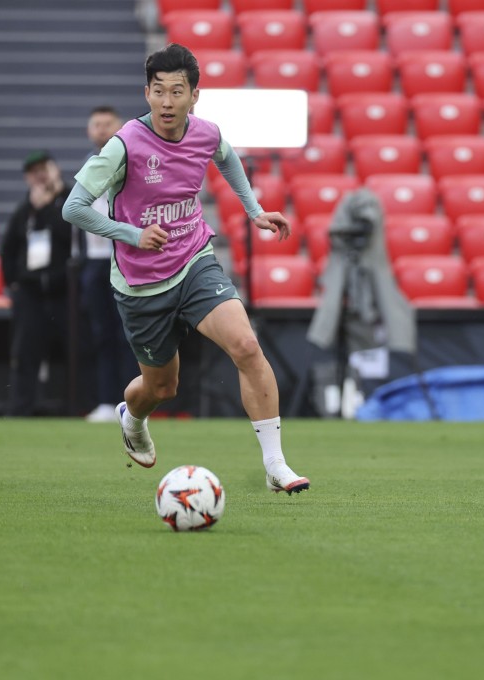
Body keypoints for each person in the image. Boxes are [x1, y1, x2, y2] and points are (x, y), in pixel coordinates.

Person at [62, 43, 309, 493]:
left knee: (246, 346)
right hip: (141, 283)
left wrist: (253, 209)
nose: (167, 102)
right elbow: (73, 208)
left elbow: (227, 158)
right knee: (160, 388)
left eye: (177, 91)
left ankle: (276, 466)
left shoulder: (206, 132)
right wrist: (132, 234)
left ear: (195, 95)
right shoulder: (125, 145)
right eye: (158, 92)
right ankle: (131, 417)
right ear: (147, 93)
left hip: (195, 259)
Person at [0, 150, 75, 416]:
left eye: (45, 168)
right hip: (30, 292)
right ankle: (21, 408)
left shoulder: (71, 201)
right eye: (34, 172)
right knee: (25, 353)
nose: (40, 176)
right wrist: (14, 283)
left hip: (65, 291)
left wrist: (47, 208)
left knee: (74, 352)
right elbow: (8, 249)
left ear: (55, 169)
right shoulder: (24, 209)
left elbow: (70, 236)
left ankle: (76, 407)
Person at [78, 105, 136, 423]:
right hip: (95, 260)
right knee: (101, 334)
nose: (101, 129)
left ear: (119, 126)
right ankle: (104, 400)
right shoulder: (90, 164)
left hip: (124, 258)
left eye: (106, 123)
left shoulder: (130, 160)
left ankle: (130, 402)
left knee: (127, 334)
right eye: (95, 124)